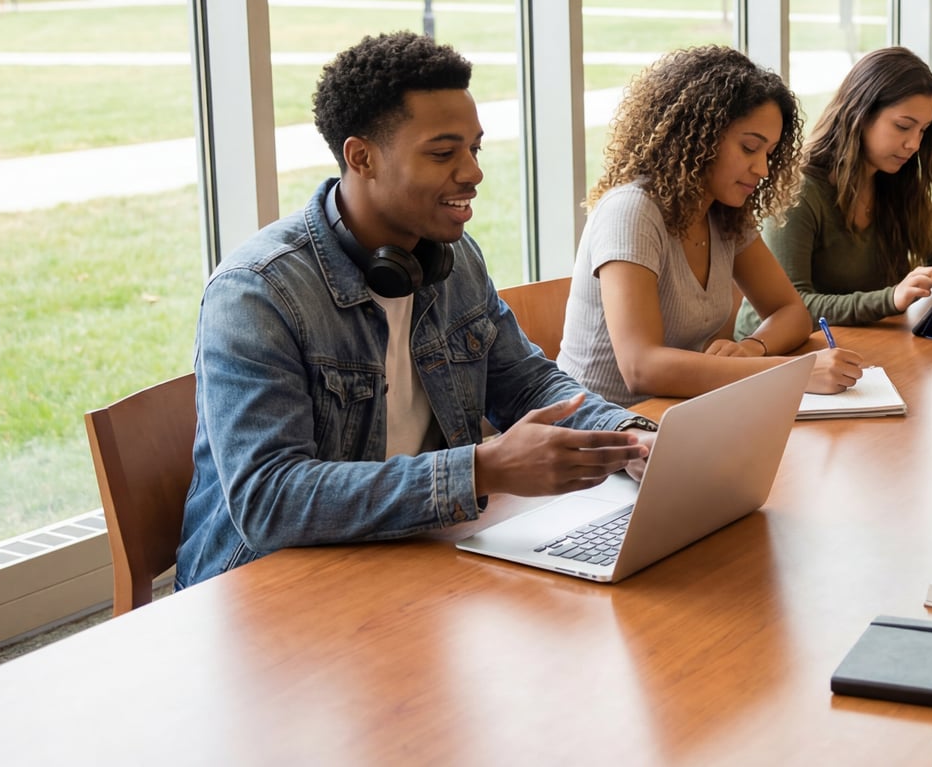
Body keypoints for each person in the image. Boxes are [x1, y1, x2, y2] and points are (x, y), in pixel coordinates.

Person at [177, 32, 652, 588]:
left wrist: (632, 438)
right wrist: (483, 469)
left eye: (475, 148)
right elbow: (270, 503)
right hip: (269, 589)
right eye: (443, 153)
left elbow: (526, 383)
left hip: (412, 553)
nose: (473, 172)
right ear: (362, 157)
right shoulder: (256, 294)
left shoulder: (450, 256)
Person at [558, 44, 865, 407]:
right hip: (599, 429)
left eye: (768, 154)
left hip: (677, 413)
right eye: (749, 148)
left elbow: (792, 313)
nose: (763, 170)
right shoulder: (631, 211)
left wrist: (753, 349)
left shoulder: (723, 212)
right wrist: (792, 374)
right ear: (698, 135)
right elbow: (641, 367)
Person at [735, 46, 932, 338]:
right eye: (903, 126)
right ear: (859, 113)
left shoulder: (895, 181)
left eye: (922, 131)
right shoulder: (801, 190)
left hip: (855, 343)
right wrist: (890, 299)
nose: (913, 144)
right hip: (775, 354)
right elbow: (790, 308)